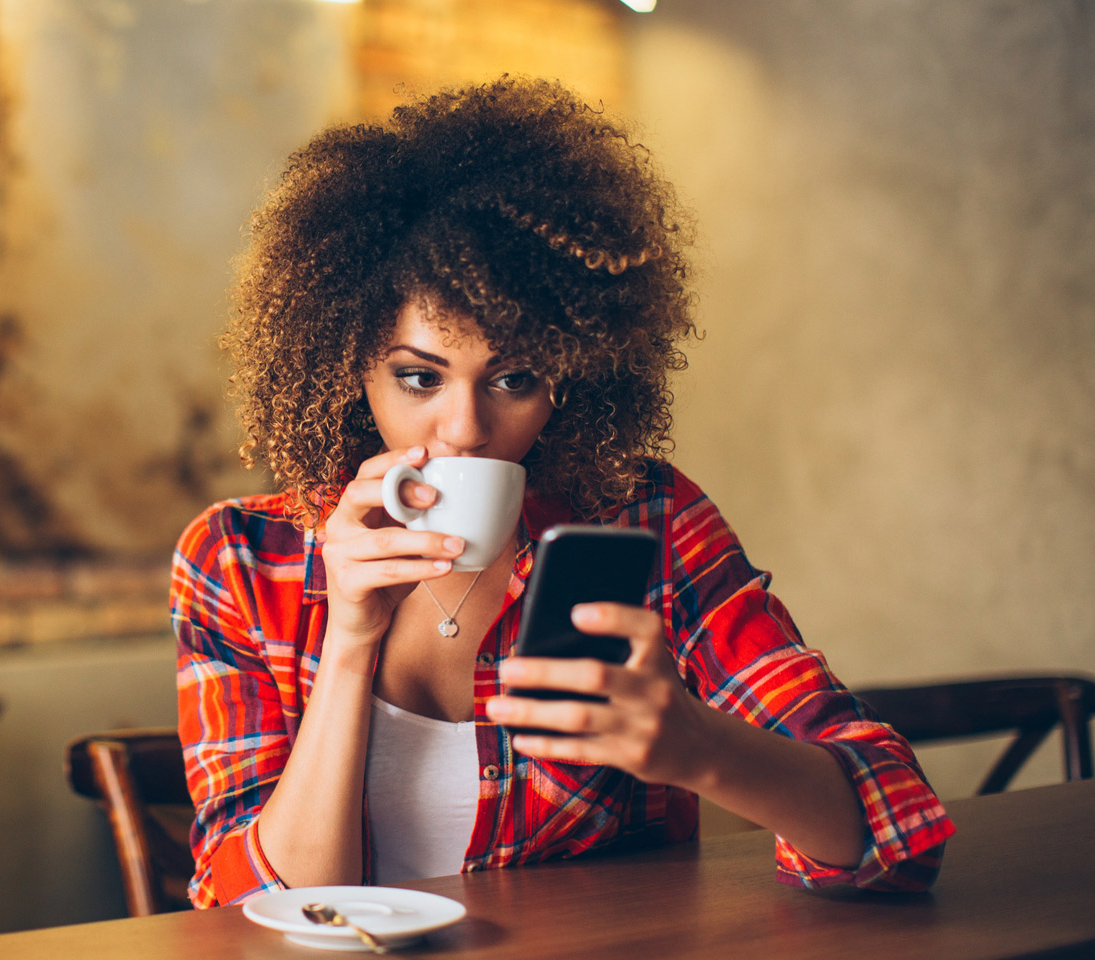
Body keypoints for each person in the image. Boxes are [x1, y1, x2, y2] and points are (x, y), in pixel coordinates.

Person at [171, 77, 953, 908]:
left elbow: (898, 834)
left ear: (572, 378)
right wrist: (351, 642)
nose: (465, 427)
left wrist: (695, 746)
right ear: (346, 364)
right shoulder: (242, 562)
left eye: (513, 377)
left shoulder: (642, 521)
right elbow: (253, 913)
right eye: (418, 377)